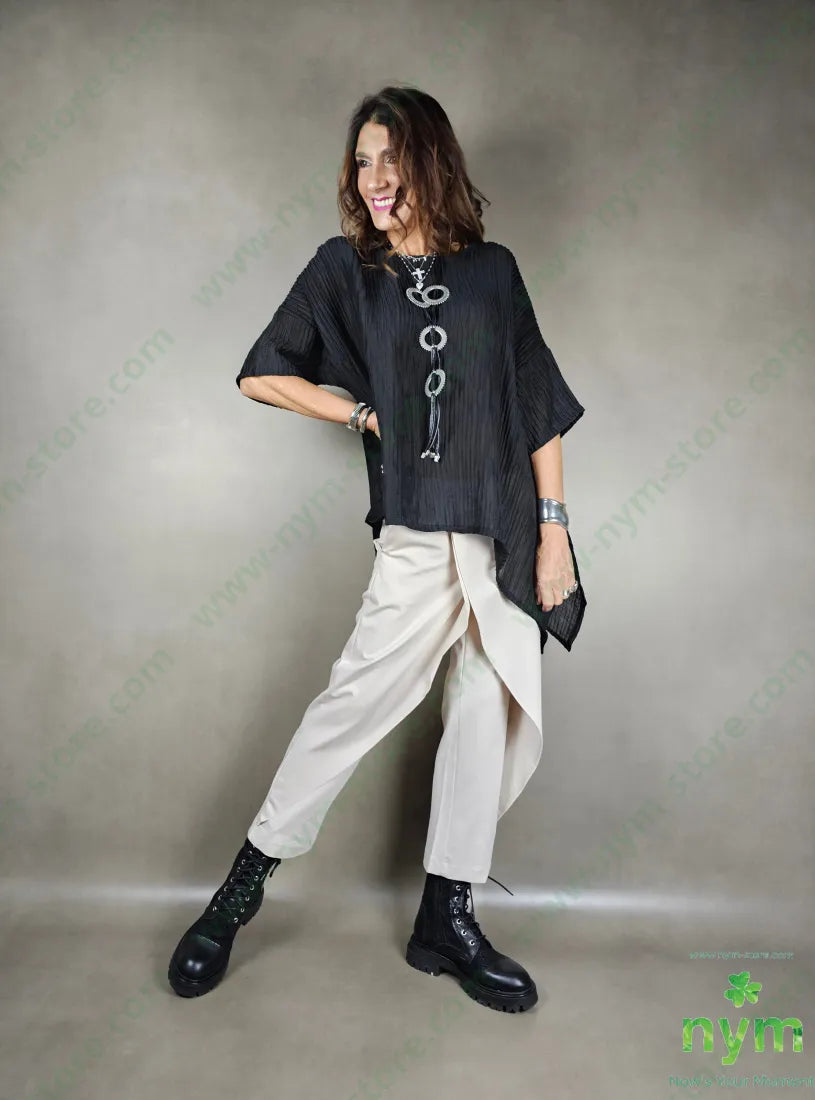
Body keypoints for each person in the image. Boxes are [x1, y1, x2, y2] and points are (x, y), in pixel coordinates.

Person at [168, 84, 586, 1014]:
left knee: (483, 710)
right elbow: (262, 372)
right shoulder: (344, 271)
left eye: (390, 157)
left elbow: (538, 405)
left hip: (504, 524)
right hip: (417, 527)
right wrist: (361, 414)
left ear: (429, 160)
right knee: (350, 705)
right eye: (361, 161)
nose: (374, 177)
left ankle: (447, 918)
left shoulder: (493, 272)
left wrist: (554, 531)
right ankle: (235, 899)